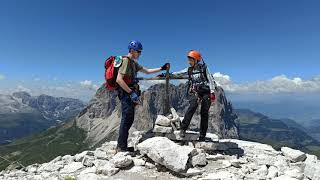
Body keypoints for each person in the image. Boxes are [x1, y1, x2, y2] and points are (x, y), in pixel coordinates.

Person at [116, 40, 169, 152]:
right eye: (138, 51)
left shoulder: (133, 63)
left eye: (140, 52)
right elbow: (119, 80)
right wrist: (131, 93)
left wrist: (161, 68)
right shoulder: (126, 61)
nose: (140, 54)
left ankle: (122, 146)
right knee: (126, 119)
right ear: (132, 50)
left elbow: (147, 71)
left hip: (129, 93)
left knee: (129, 119)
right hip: (127, 94)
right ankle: (121, 147)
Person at [179, 50, 217, 141]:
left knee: (204, 112)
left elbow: (210, 79)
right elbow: (179, 73)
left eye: (190, 60)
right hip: (196, 91)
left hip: (206, 91)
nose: (189, 62)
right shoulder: (189, 70)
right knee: (192, 106)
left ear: (196, 60)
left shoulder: (203, 68)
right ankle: (183, 128)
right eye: (188, 60)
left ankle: (202, 135)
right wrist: (166, 74)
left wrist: (212, 92)